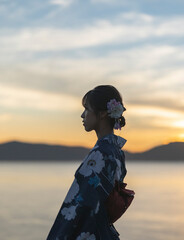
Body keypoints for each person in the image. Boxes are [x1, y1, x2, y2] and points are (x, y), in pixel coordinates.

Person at [47, 85, 128, 240]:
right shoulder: (117, 152)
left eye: (87, 109)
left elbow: (79, 206)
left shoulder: (101, 154)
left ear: (103, 113)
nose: (82, 115)